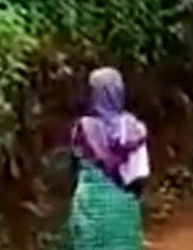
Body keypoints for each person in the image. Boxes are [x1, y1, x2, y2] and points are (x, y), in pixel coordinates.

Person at [66, 67, 150, 250]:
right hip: (123, 206)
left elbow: (73, 168)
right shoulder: (134, 128)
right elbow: (140, 175)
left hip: (89, 206)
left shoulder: (83, 127)